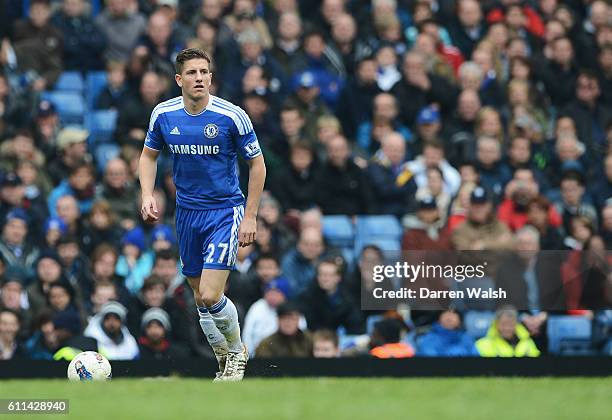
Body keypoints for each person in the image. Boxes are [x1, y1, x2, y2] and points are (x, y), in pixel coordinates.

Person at [138, 48, 266, 381]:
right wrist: (147, 194)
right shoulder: (164, 115)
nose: (199, 78)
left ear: (211, 77)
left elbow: (257, 165)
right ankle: (224, 358)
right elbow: (148, 157)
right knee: (200, 296)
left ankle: (237, 351)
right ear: (179, 79)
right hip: (187, 213)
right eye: (192, 73)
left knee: (210, 292)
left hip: (225, 211)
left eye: (204, 72)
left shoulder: (231, 116)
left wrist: (250, 216)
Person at [476, 306, 541, 357]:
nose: (507, 328)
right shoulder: (482, 344)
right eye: (504, 324)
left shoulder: (527, 341)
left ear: (516, 324)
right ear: (496, 324)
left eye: (511, 324)